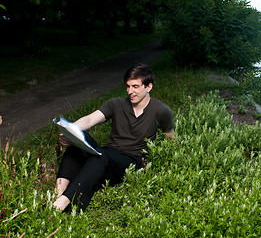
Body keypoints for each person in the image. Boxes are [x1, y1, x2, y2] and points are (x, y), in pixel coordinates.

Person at [53, 63, 175, 211]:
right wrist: (70, 131)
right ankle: (58, 193)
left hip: (131, 161)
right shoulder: (116, 103)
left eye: (135, 86)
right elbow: (90, 120)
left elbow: (171, 139)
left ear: (148, 87)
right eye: (128, 86)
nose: (130, 91)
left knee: (101, 156)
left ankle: (62, 205)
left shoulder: (161, 111)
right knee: (78, 140)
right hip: (109, 154)